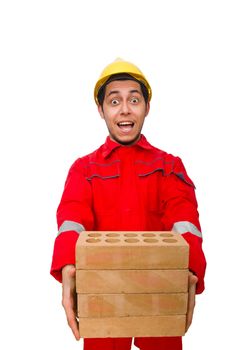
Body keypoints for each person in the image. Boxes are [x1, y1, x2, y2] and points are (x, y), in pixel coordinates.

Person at [51, 58, 206, 349]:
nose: (125, 109)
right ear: (101, 110)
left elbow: (185, 219)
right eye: (114, 101)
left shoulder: (169, 166)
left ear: (147, 107)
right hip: (102, 291)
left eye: (134, 99)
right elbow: (72, 217)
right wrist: (68, 265)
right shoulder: (84, 169)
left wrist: (191, 271)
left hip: (160, 289)